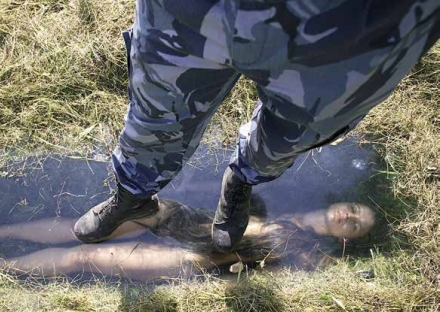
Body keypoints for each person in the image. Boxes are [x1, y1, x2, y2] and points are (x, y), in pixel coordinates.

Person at [73, 0, 440, 252]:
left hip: (358, 30)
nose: (348, 215)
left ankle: (241, 180)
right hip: (197, 10)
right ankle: (133, 195)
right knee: (158, 109)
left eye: (353, 222)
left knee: (292, 132)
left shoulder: (304, 242)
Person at [0, 200, 375, 280]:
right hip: (181, 218)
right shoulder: (291, 186)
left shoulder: (310, 251)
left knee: (86, 259)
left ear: (343, 239)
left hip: (197, 260)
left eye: (353, 226)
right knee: (86, 226)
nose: (348, 217)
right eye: (354, 209)